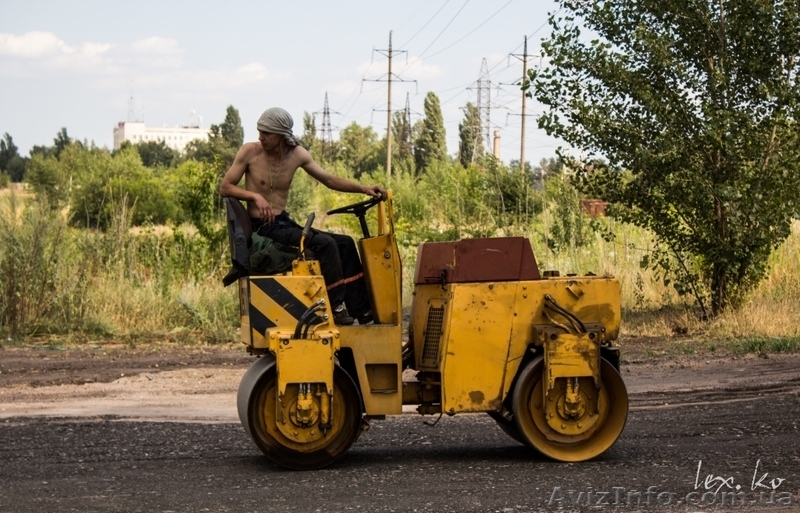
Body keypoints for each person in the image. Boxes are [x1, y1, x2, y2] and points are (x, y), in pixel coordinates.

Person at [220, 107, 386, 325]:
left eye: (267, 133)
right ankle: (335, 308)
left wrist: (364, 189)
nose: (261, 137)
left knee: (345, 243)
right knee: (325, 244)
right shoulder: (250, 152)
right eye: (260, 131)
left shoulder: (297, 155)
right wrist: (254, 196)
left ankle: (362, 310)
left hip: (283, 223)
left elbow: (329, 179)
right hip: (264, 227)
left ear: (281, 135)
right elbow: (225, 187)